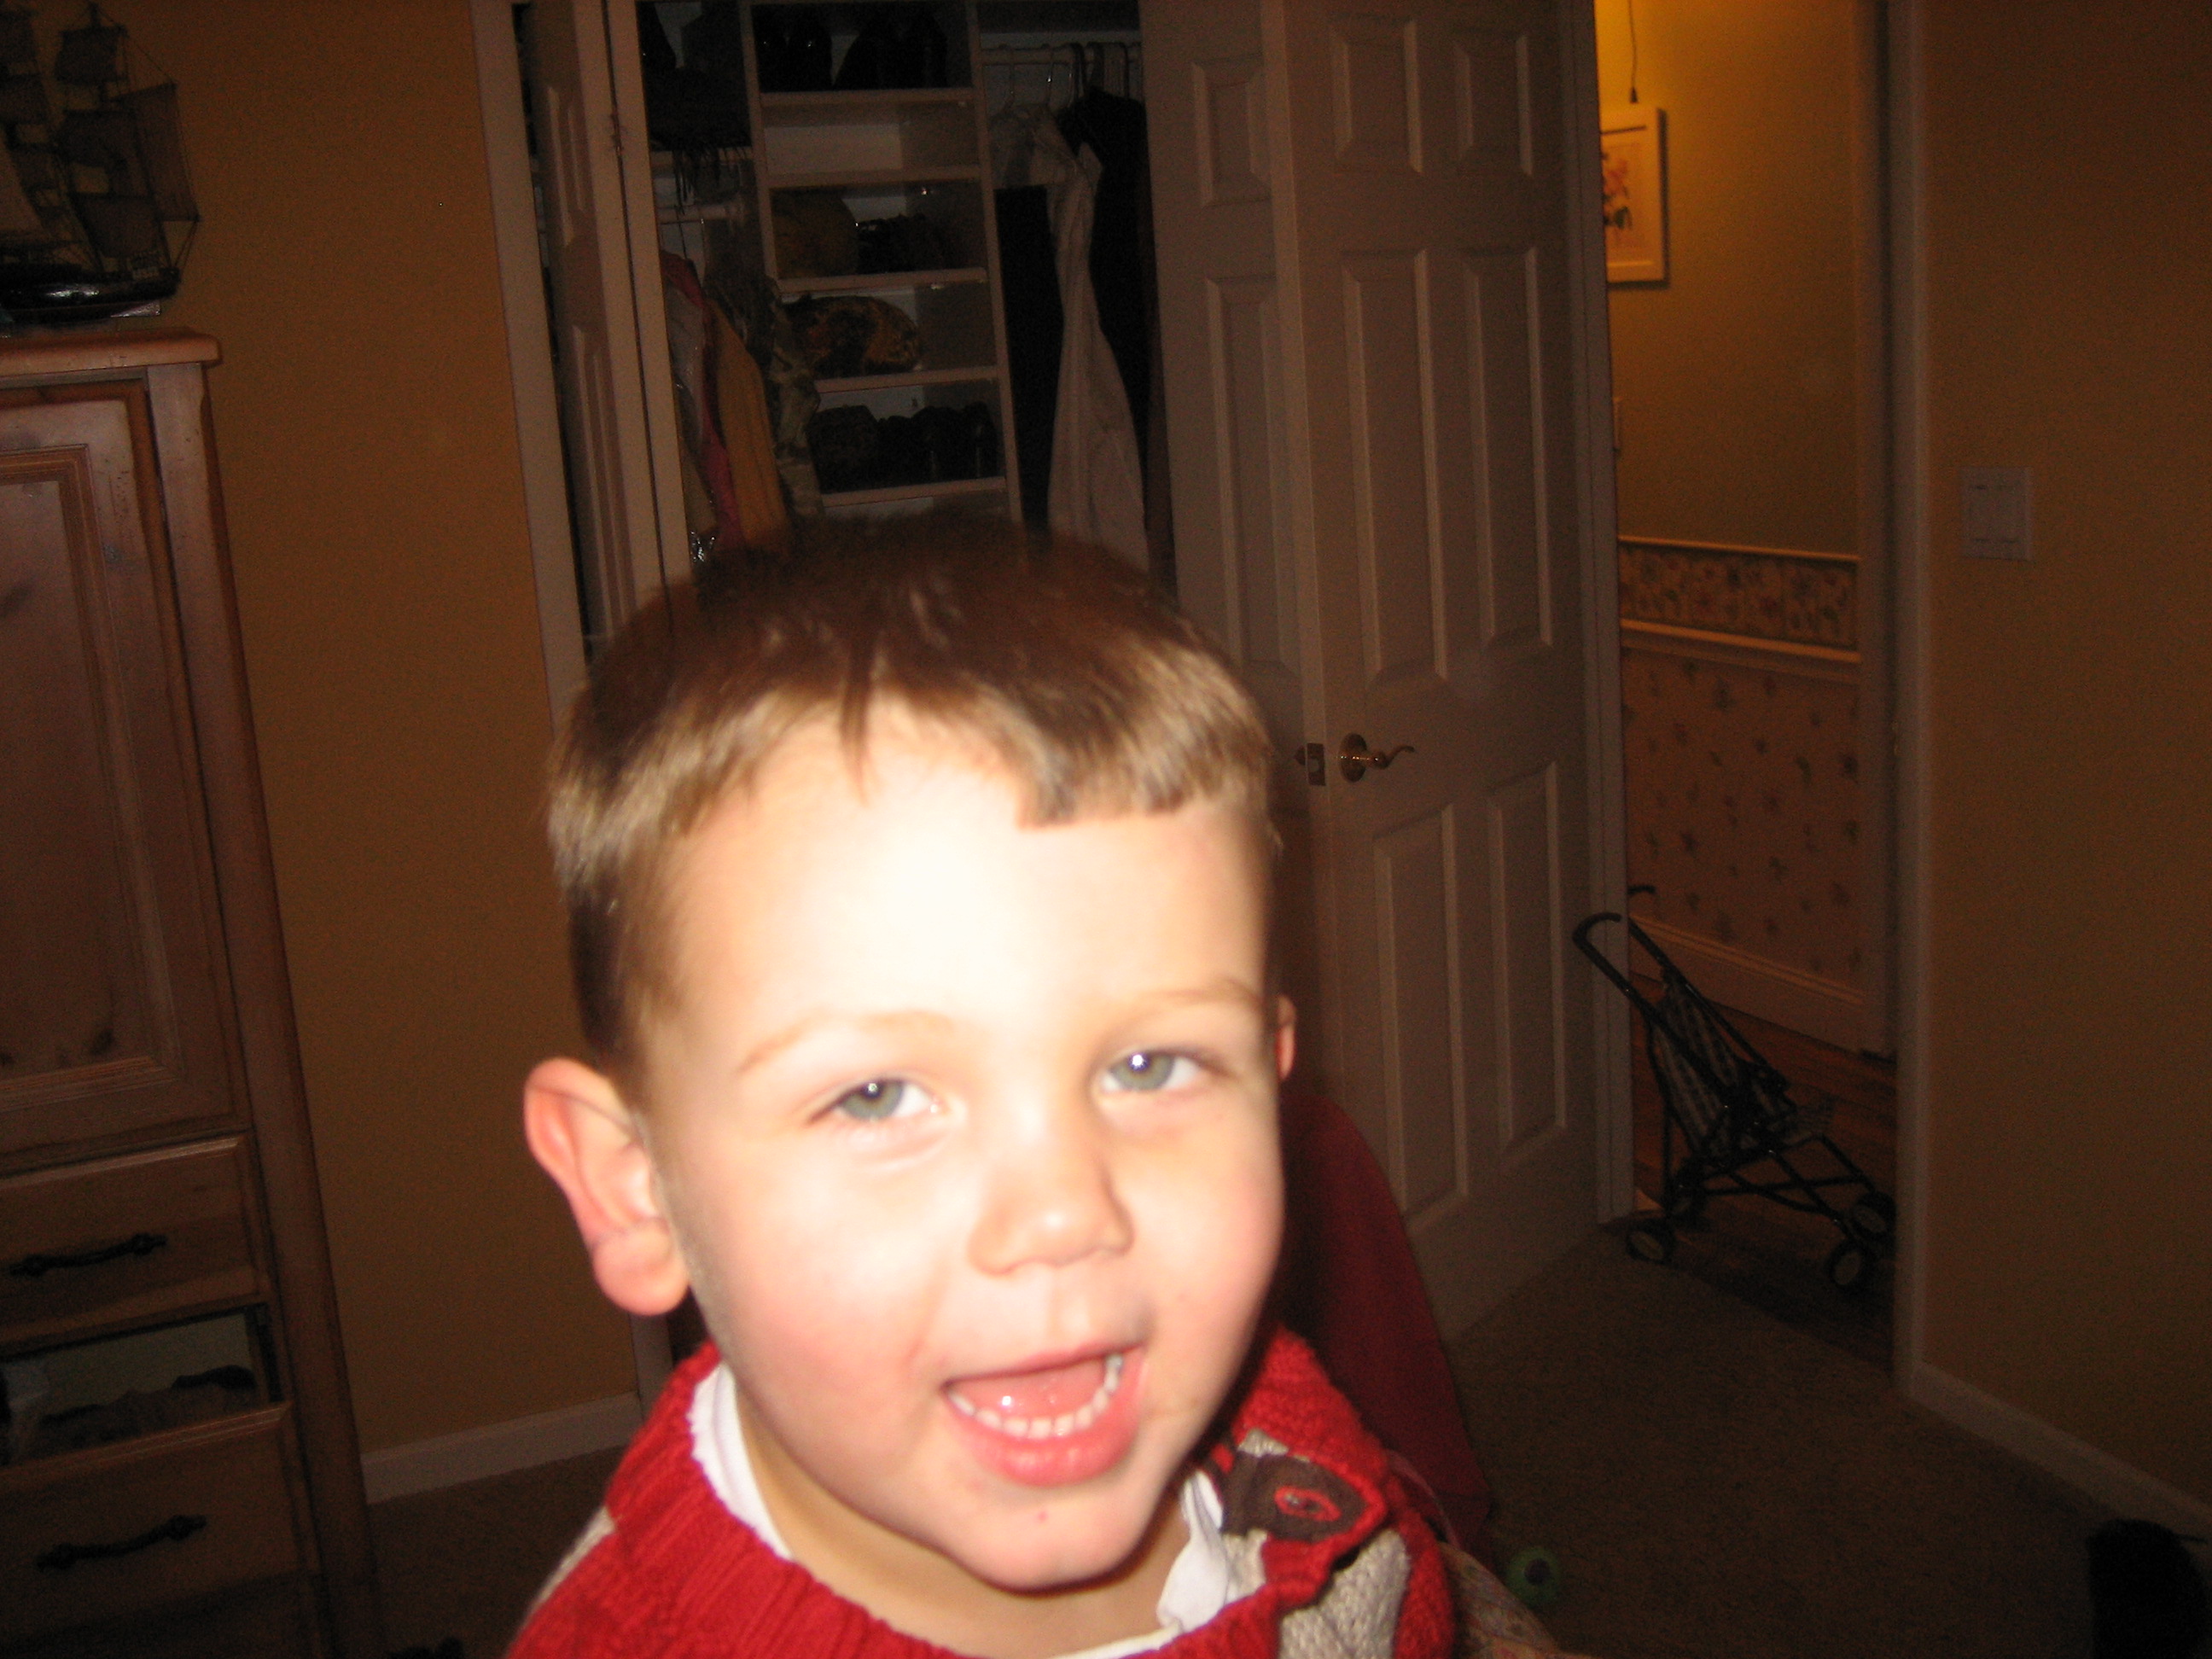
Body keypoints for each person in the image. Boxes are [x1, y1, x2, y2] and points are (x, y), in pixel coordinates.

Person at [511, 518, 1571, 1658]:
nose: (1065, 1216)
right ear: (635, 1188)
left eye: (1148, 1065)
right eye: (877, 1095)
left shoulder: (1282, 1422)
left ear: (1269, 1092)